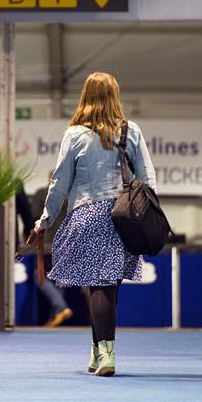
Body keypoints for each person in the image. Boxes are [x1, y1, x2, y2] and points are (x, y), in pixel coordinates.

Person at [33, 72, 156, 377]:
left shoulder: (74, 135)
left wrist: (44, 220)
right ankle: (98, 350)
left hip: (87, 215)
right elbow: (148, 179)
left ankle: (106, 353)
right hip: (123, 217)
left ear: (85, 97)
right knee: (108, 285)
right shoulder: (132, 131)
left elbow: (59, 184)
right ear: (116, 97)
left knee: (97, 285)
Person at [24, 176, 73, 327]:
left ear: (48, 179)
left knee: (39, 276)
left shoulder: (41, 193)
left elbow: (32, 216)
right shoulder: (70, 196)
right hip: (64, 242)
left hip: (45, 244)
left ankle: (60, 307)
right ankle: (57, 314)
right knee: (59, 277)